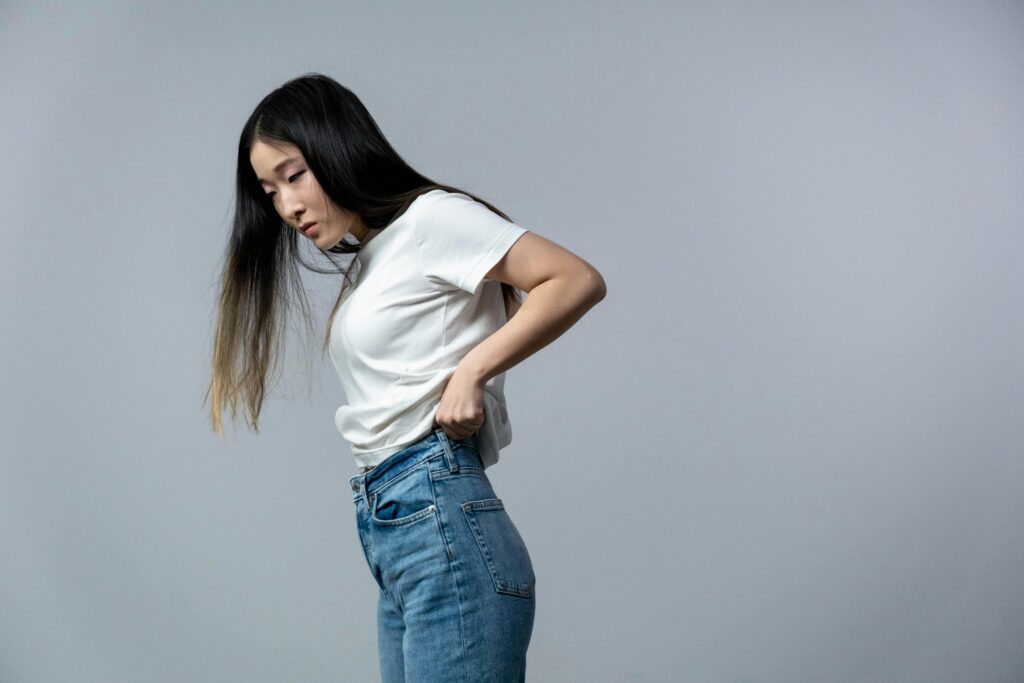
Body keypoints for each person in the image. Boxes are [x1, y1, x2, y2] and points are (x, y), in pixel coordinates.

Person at [205, 73, 606, 682]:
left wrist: (472, 372)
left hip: (438, 509)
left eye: (294, 175)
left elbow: (575, 279)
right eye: (269, 192)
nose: (287, 206)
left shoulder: (431, 221)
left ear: (337, 148)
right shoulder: (372, 258)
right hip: (396, 530)